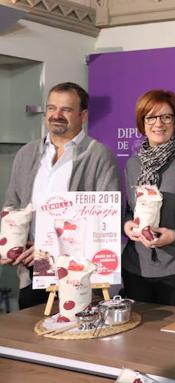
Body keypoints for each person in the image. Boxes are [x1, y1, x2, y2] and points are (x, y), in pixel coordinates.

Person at [2, 82, 119, 309]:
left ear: (83, 115)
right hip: (33, 272)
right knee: (31, 338)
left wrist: (46, 250)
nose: (56, 115)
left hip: (78, 275)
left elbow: (106, 221)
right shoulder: (26, 154)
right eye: (51, 108)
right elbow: (12, 206)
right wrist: (15, 245)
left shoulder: (99, 156)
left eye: (66, 109)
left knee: (75, 339)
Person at [121, 90, 175, 308]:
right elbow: (129, 210)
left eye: (166, 117)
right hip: (135, 268)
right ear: (142, 122)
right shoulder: (133, 164)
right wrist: (128, 226)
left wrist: (174, 236)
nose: (159, 123)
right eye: (151, 117)